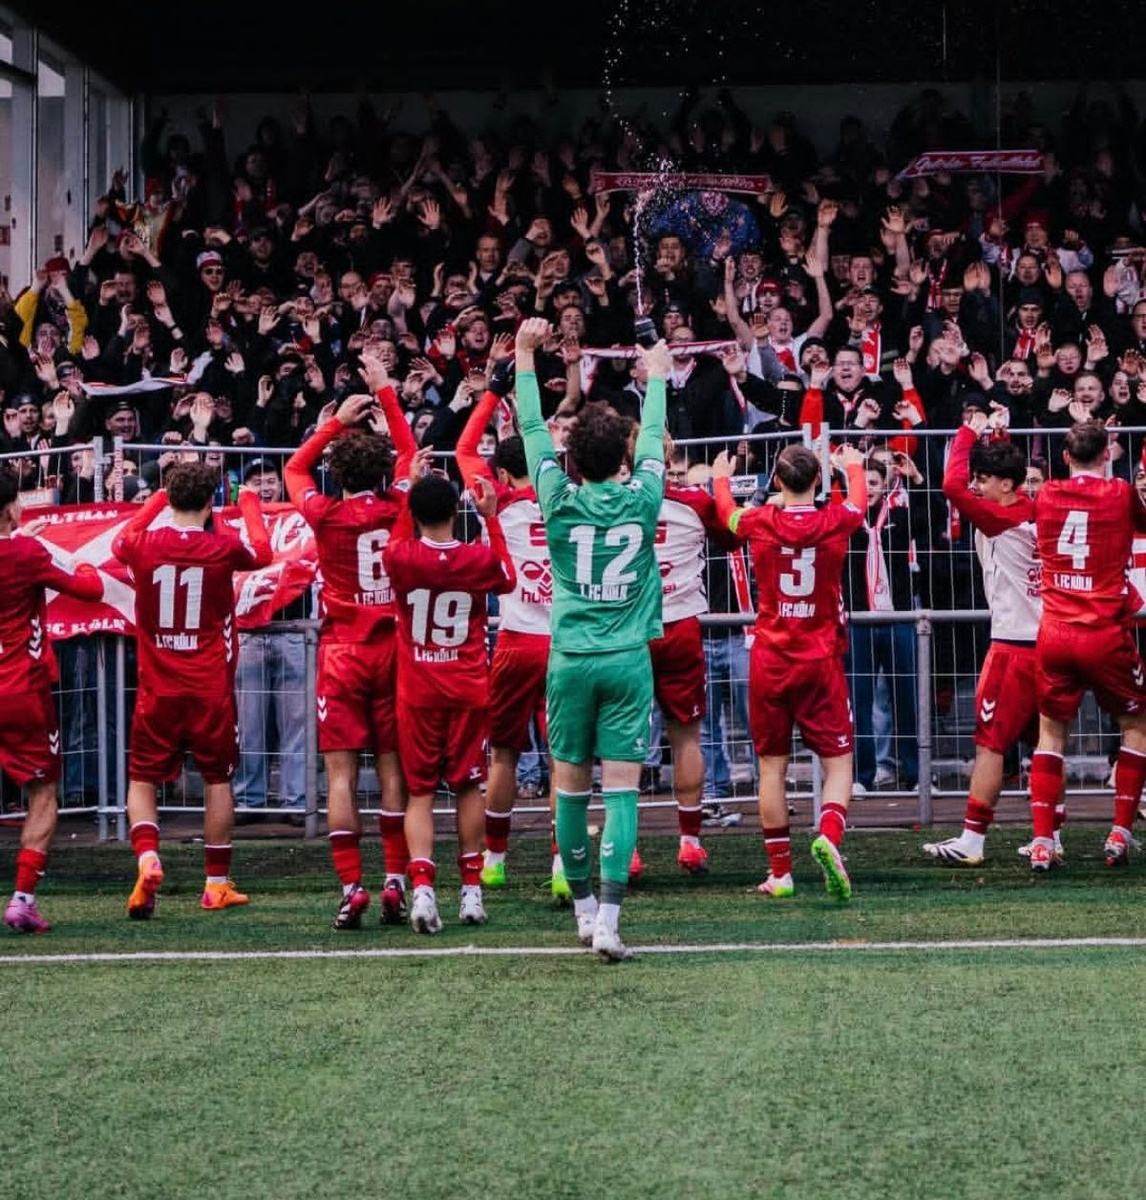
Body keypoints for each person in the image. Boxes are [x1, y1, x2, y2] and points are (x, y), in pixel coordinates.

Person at [514, 316, 670, 962]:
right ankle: (608, 919)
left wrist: (525, 355)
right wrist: (657, 378)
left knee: (571, 788)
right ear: (623, 457)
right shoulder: (644, 497)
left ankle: (581, 911)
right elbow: (654, 435)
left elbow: (531, 428)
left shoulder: (556, 497)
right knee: (624, 790)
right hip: (627, 659)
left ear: (572, 459)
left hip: (570, 659)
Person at [282, 362, 416, 930]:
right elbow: (409, 454)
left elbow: (293, 468)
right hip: (393, 650)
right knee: (392, 770)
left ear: (337, 475)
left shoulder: (325, 514)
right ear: (383, 473)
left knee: (340, 776)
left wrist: (334, 422)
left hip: (341, 653)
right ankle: (394, 880)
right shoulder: (399, 506)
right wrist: (386, 391)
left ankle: (351, 886)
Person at [112, 461, 272, 918]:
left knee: (142, 778)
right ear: (209, 503)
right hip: (208, 687)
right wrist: (249, 503)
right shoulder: (221, 548)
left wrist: (156, 500)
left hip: (158, 686)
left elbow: (120, 541)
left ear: (169, 500)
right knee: (218, 780)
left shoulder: (142, 545)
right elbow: (262, 553)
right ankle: (216, 885)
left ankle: (148, 856)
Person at [710, 443, 867, 899]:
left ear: (777, 482)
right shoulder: (837, 519)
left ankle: (780, 873)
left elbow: (727, 514)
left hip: (771, 658)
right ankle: (829, 837)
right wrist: (853, 466)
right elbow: (859, 502)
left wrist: (721, 478)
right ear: (818, 481)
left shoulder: (758, 522)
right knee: (838, 762)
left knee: (771, 767)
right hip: (819, 659)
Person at [383, 455, 515, 933]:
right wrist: (491, 517)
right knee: (467, 785)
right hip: (467, 686)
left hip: (418, 688)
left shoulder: (400, 556)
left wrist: (407, 489)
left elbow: (396, 542)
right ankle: (471, 889)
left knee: (419, 791)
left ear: (415, 513)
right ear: (457, 509)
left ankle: (422, 888)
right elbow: (508, 577)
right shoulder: (476, 558)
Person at [924, 411, 1059, 864]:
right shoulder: (1038, 512)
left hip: (1012, 649)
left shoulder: (999, 518)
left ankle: (972, 840)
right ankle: (1050, 838)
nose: (976, 486)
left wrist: (969, 430)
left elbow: (950, 485)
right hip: (1051, 643)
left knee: (990, 743)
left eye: (984, 479)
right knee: (1048, 745)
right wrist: (999, 435)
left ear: (1006, 484)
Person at [454, 384, 569, 899]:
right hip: (565, 642)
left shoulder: (496, 502)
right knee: (564, 757)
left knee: (503, 753)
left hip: (516, 641)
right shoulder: (566, 498)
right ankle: (563, 862)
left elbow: (463, 449)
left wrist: (492, 393)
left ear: (500, 475)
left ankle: (495, 861)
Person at [1027, 419, 1146, 871]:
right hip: (1103, 631)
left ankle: (1043, 841)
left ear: (1064, 457)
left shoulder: (1047, 494)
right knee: (1136, 723)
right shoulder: (1120, 493)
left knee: (1051, 732)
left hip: (1055, 631)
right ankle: (1119, 833)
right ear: (1108, 454)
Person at [0, 469, 104, 932]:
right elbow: (90, 589)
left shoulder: (23, 547)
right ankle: (22, 900)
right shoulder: (26, 553)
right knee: (43, 792)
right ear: (10, 510)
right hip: (20, 690)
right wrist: (78, 561)